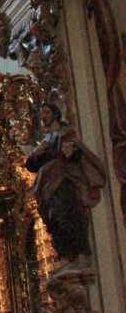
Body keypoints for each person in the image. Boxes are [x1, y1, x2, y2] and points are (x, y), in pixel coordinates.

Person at [25, 102, 106, 275]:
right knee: (52, 219)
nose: (44, 116)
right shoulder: (45, 141)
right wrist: (35, 153)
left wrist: (71, 149)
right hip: (47, 184)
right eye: (42, 114)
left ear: (55, 114)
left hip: (63, 181)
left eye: (46, 112)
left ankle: (81, 254)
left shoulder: (65, 134)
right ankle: (63, 256)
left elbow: (76, 154)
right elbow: (31, 165)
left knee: (68, 215)